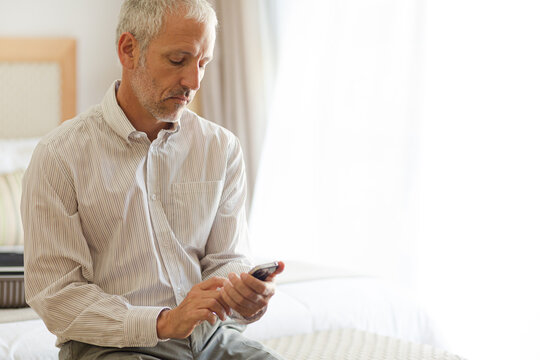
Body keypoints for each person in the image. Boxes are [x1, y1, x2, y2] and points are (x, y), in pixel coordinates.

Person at [21, 0, 285, 359]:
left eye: (202, 63)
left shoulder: (221, 148)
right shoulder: (59, 157)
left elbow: (227, 257)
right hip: (111, 348)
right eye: (178, 60)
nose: (193, 81)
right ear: (129, 50)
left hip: (210, 339)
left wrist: (243, 294)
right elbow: (58, 296)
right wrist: (163, 322)